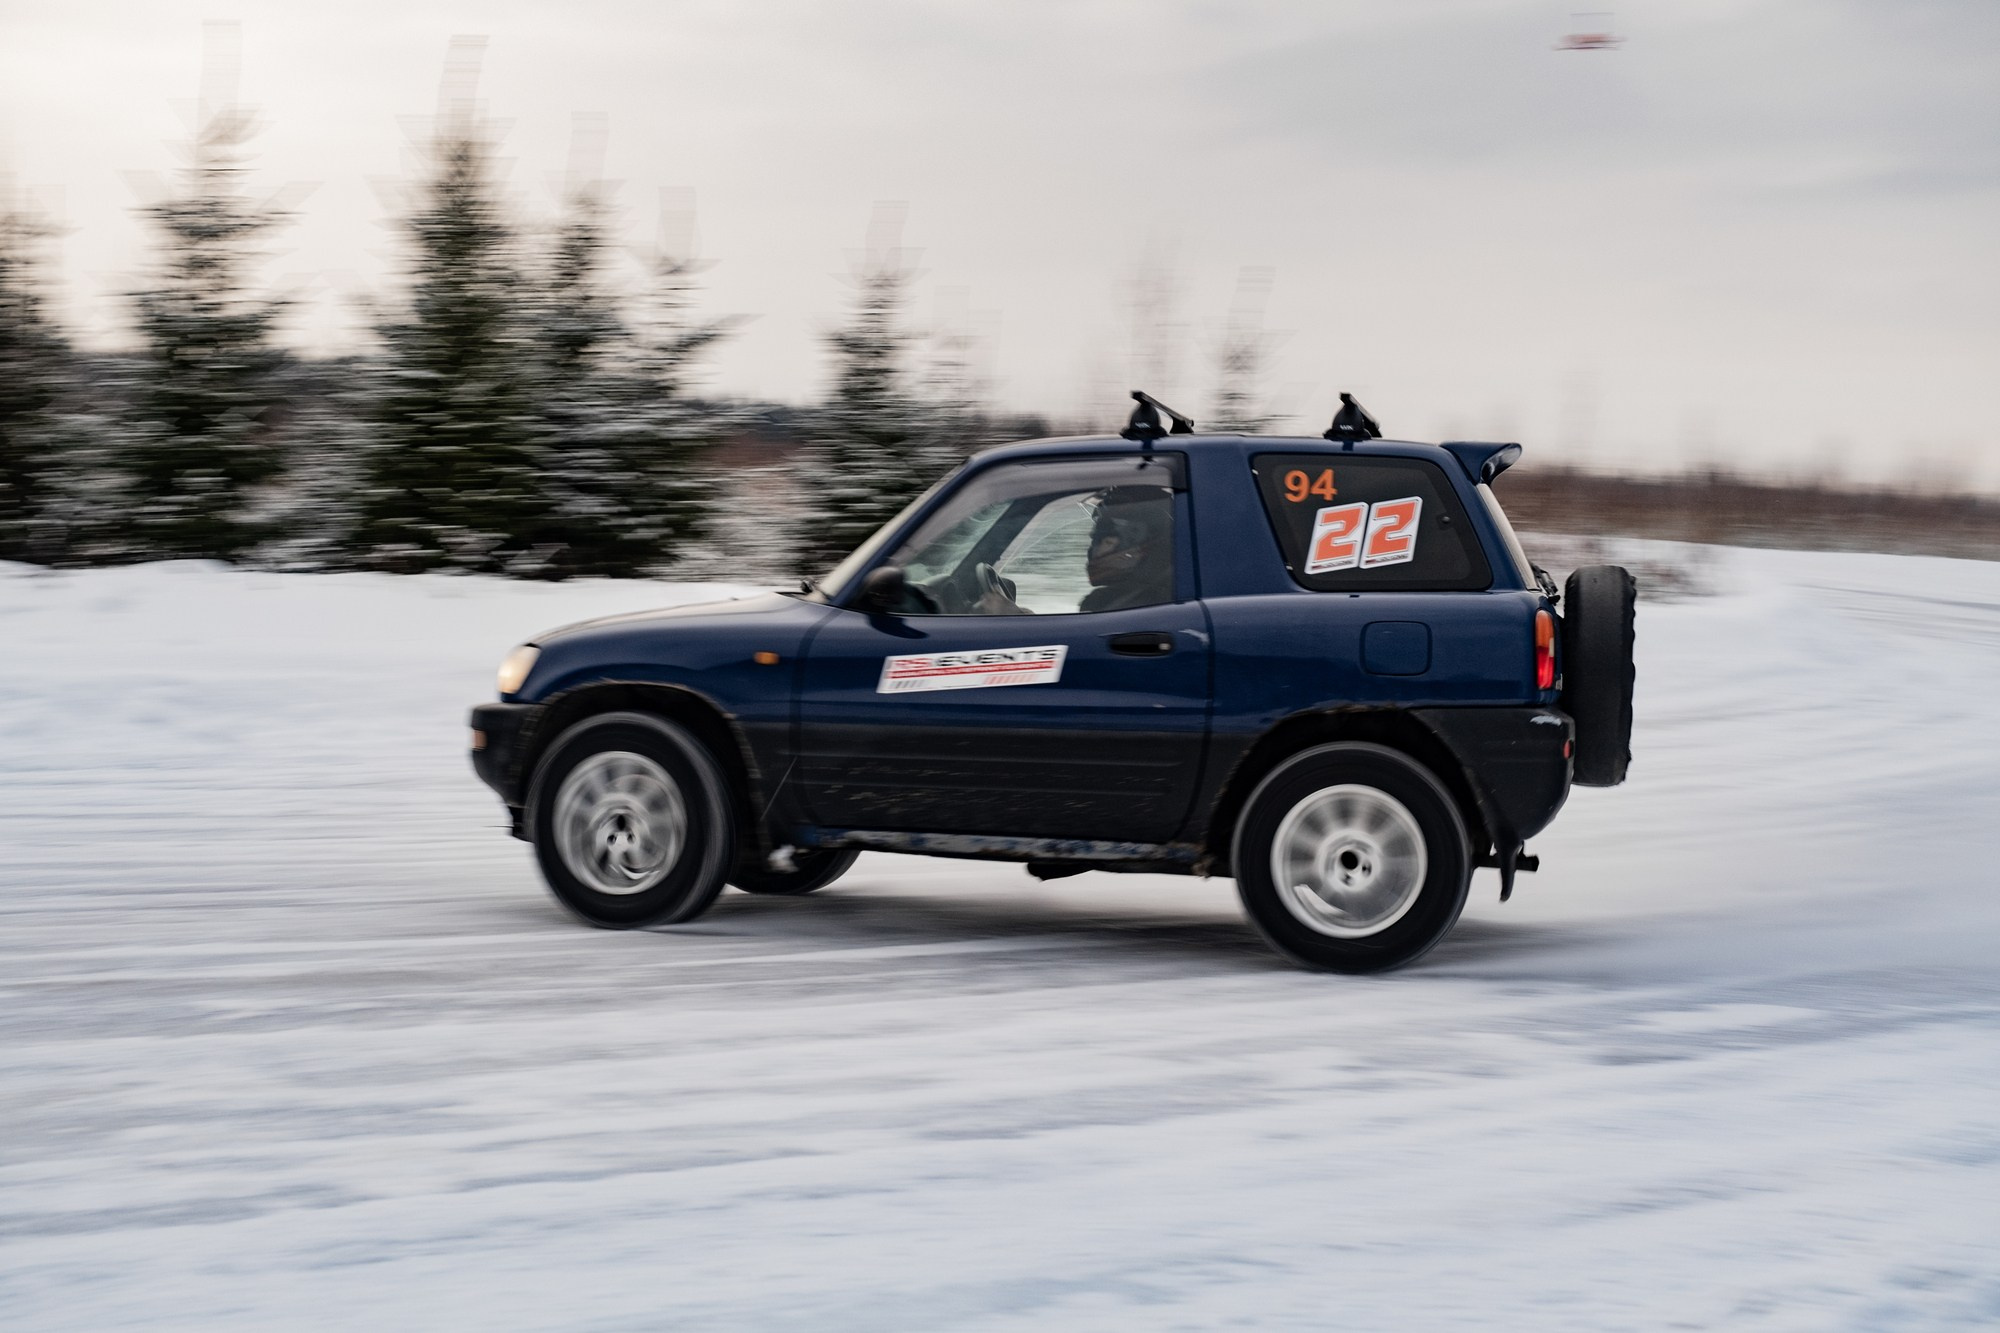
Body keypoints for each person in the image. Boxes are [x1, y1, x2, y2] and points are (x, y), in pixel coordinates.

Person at [1078, 486, 1173, 613]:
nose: (1094, 551)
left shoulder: (1110, 605)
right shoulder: (1171, 592)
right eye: (1095, 540)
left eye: (1104, 540)